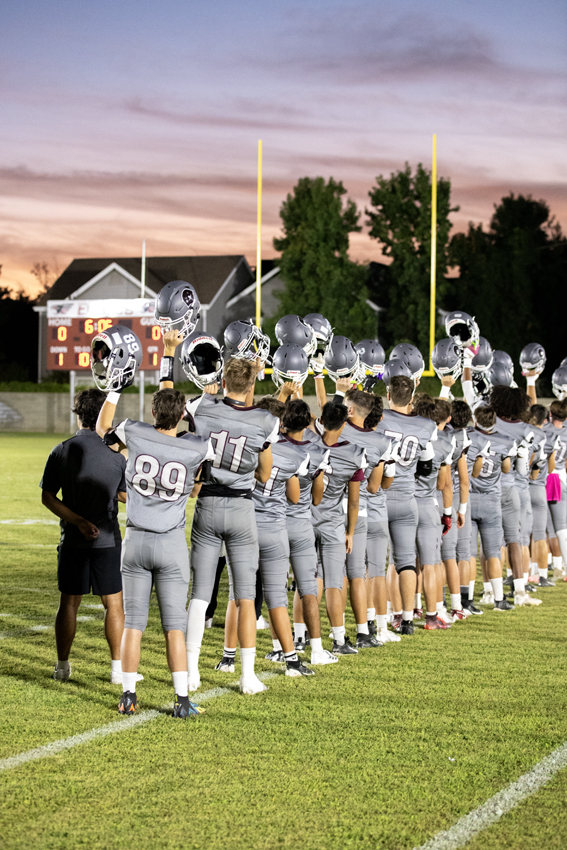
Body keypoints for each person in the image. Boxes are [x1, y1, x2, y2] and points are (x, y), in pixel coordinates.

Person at [96, 380, 214, 718]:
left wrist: (114, 392)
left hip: (135, 540)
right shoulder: (196, 447)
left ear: (152, 413)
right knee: (174, 626)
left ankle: (129, 696)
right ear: (180, 416)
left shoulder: (134, 431)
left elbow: (104, 430)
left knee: (134, 623)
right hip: (171, 542)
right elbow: (196, 487)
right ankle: (181, 701)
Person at [182, 357, 279, 695]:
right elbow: (265, 474)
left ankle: (192, 670)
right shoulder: (265, 420)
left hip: (207, 503)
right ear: (251, 387)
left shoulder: (202, 407)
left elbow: (176, 410)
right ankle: (248, 675)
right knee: (246, 594)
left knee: (200, 593)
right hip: (241, 507)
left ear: (223, 381)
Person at [40, 388, 130, 685]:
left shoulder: (62, 449)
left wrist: (78, 521)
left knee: (69, 603)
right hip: (107, 539)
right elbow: (124, 495)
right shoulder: (116, 454)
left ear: (78, 414)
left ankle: (62, 666)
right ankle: (117, 669)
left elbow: (47, 497)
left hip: (74, 540)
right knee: (114, 604)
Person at [375, 375, 437, 635]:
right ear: (412, 398)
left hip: (378, 497)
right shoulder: (426, 425)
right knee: (406, 561)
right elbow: (426, 466)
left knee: (378, 563)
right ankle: (409, 621)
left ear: (388, 395)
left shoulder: (377, 418)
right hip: (407, 498)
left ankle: (380, 619)